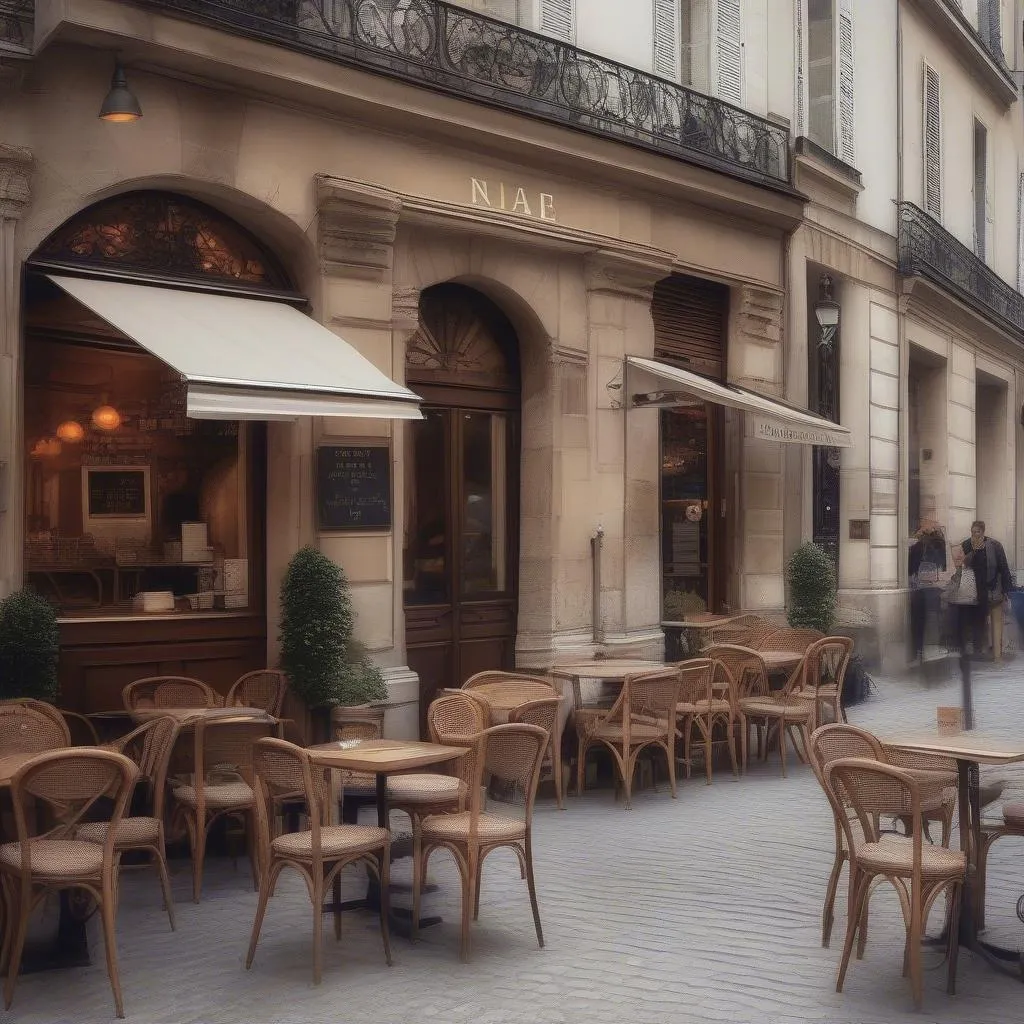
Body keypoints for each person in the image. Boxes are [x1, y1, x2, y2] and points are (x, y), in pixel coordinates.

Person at [961, 520, 1013, 662]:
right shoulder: (966, 545)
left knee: (997, 622)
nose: (975, 535)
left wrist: (1007, 589)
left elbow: (1003, 566)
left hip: (994, 588)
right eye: (973, 532)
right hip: (976, 591)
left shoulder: (995, 545)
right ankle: (981, 649)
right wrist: (973, 552)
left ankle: (997, 656)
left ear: (983, 532)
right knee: (979, 621)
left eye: (978, 532)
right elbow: (964, 566)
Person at [908, 520, 946, 663]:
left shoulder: (924, 545)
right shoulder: (921, 546)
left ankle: (919, 651)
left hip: (924, 588)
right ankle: (920, 651)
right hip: (927, 588)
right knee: (925, 620)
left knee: (920, 621)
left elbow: (911, 567)